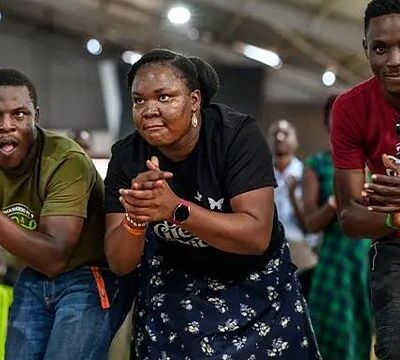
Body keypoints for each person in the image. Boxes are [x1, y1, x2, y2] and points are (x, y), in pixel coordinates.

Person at [104, 48, 321, 359]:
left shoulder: (235, 135)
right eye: (139, 100)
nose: (148, 109)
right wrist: (136, 216)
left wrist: (175, 209)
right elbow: (119, 262)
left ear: (194, 101)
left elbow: (257, 236)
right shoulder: (128, 156)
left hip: (256, 287)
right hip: (178, 290)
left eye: (164, 97)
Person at [0, 69, 133, 360]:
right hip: (31, 273)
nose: (6, 125)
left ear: (37, 116)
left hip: (87, 275)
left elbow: (55, 256)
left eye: (19, 114)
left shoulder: (64, 160)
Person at [330, 1, 400, 358]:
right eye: (381, 48)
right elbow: (350, 216)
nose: (394, 60)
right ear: (366, 49)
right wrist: (394, 217)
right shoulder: (351, 107)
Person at [299, 95, 372, 360]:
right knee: (330, 333)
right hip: (333, 261)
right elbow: (309, 223)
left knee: (364, 332)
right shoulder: (316, 165)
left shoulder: (374, 163)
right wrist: (333, 204)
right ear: (328, 123)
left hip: (367, 262)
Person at [267, 120, 319, 296]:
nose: (280, 138)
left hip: (300, 248)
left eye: (285, 133)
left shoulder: (306, 173)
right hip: (268, 247)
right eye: (275, 134)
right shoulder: (260, 173)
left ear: (296, 141)